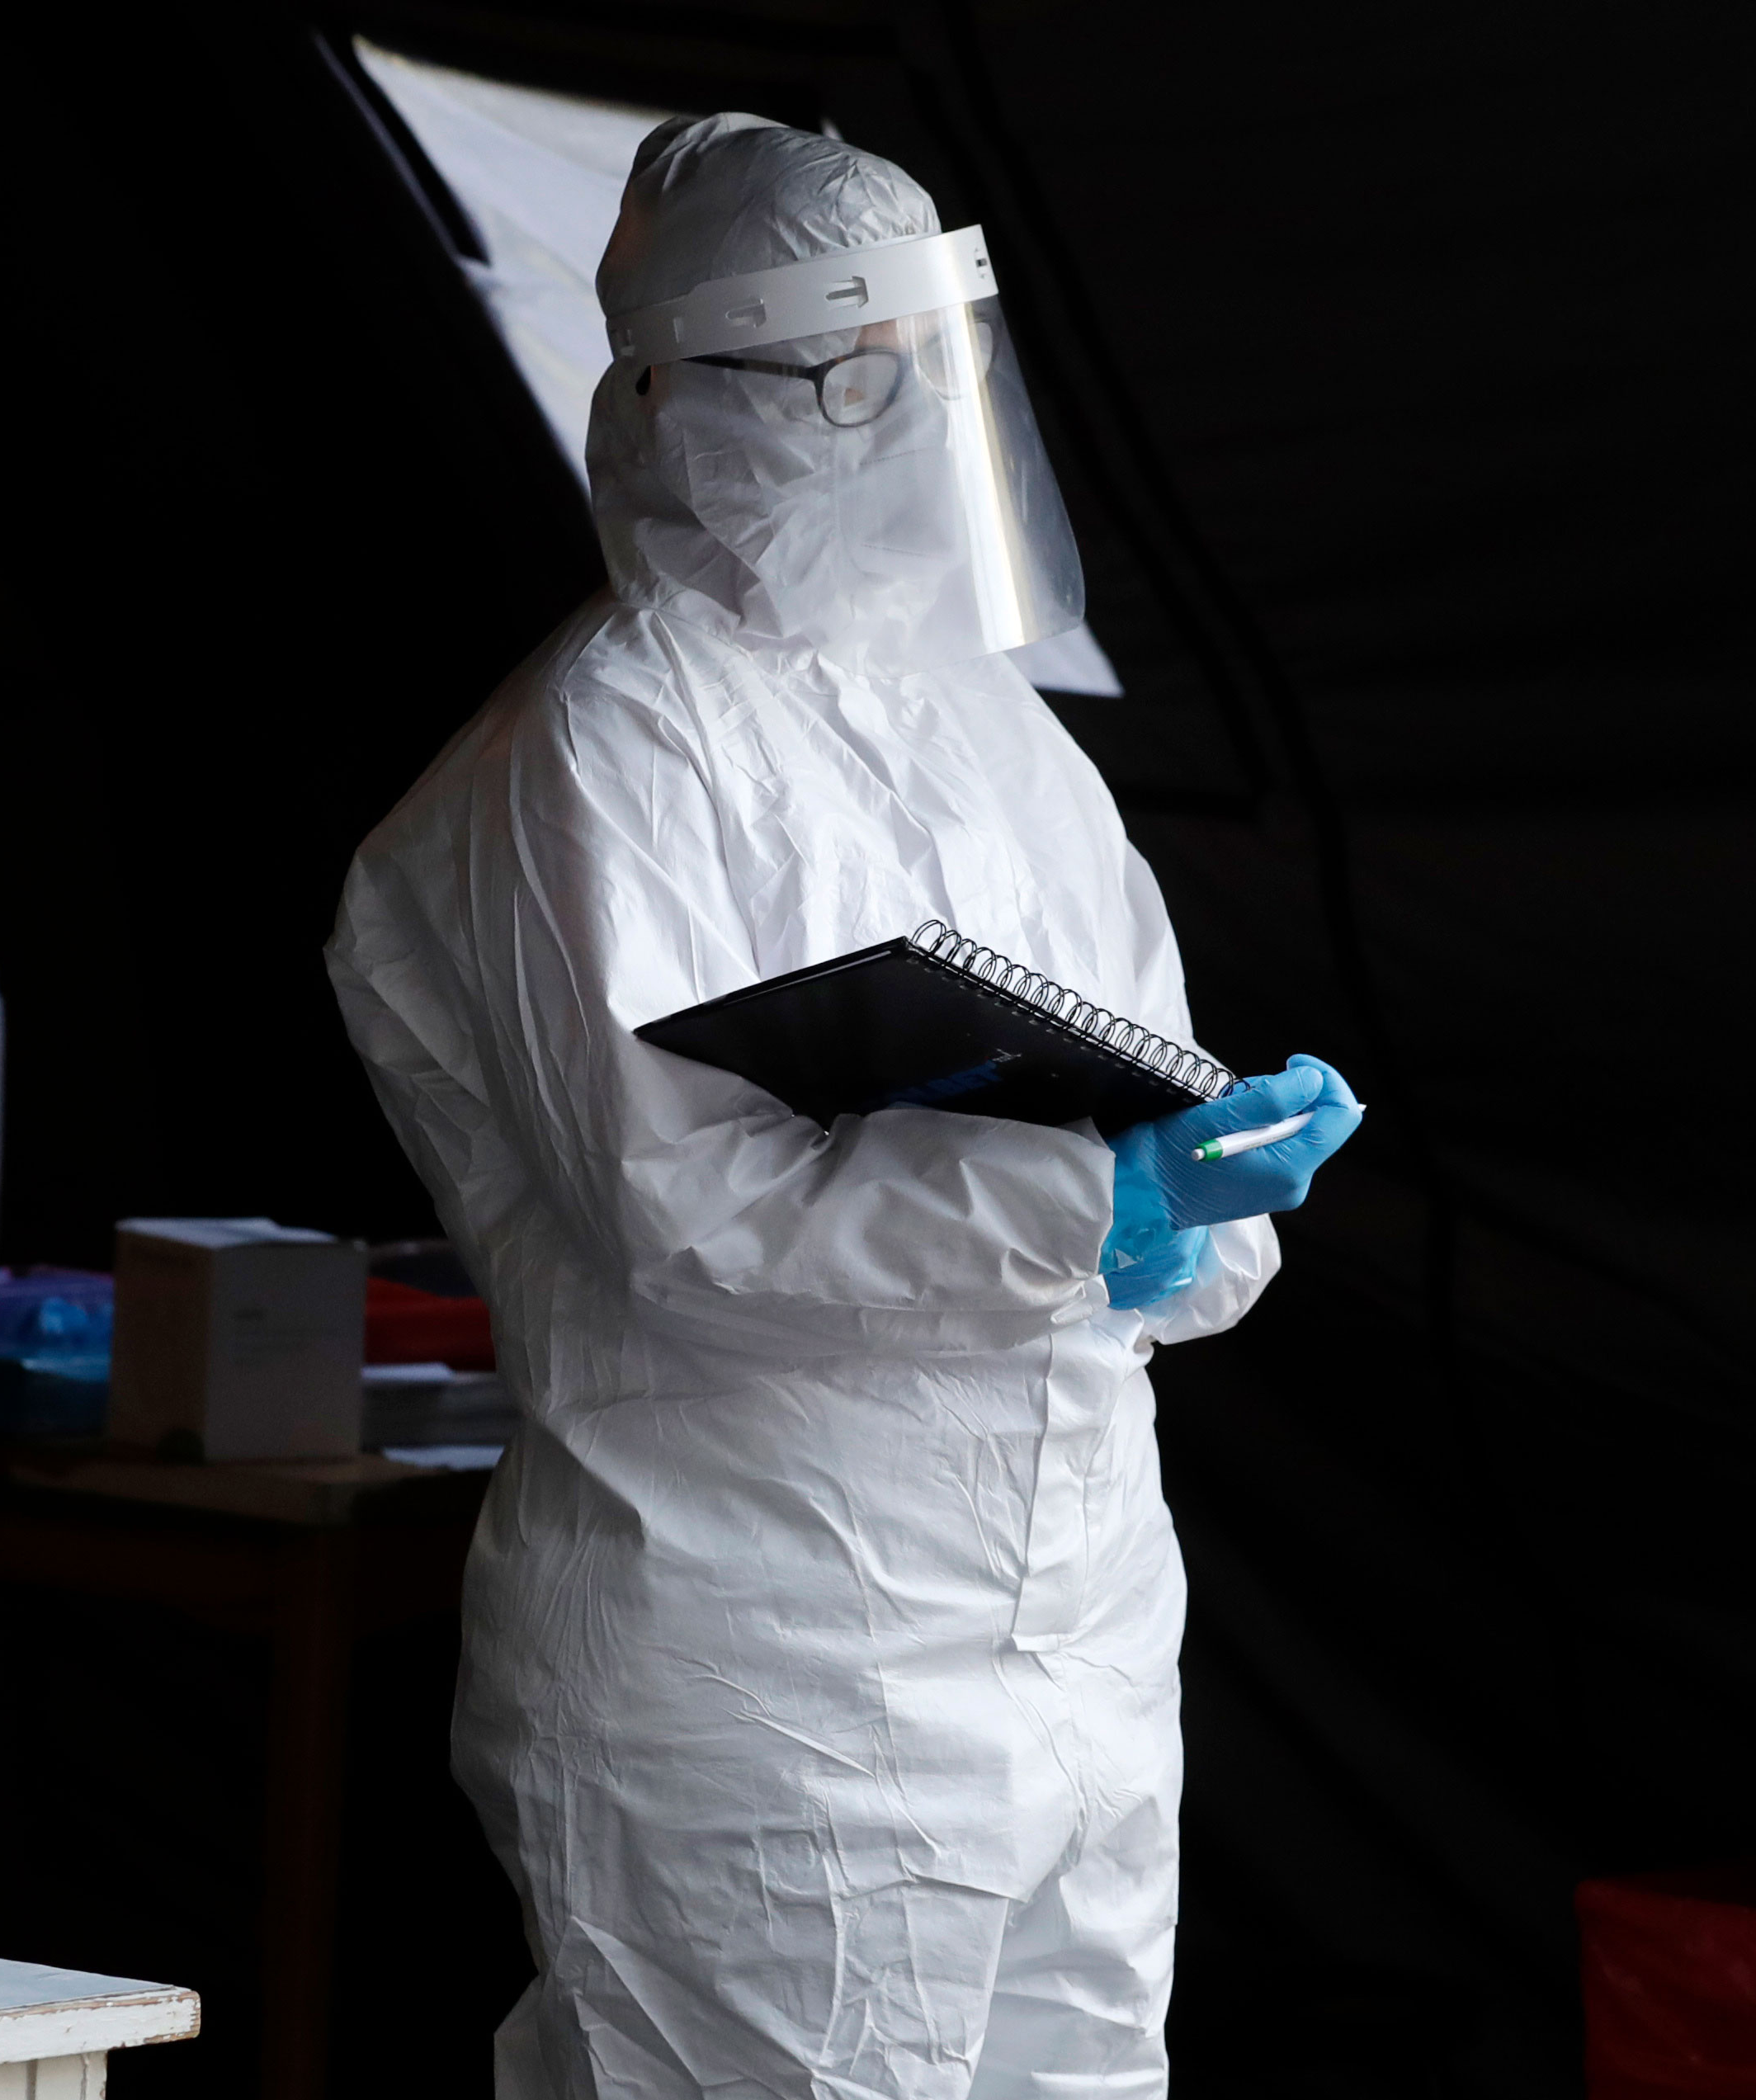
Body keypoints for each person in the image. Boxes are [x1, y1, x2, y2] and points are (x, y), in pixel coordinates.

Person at [327, 111, 1362, 2100]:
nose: (896, 434)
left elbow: (1144, 1127)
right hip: (764, 1666)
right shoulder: (602, 751)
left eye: (927, 377)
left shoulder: (1001, 740)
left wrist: (1201, 1198)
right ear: (686, 402)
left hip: (1069, 1646)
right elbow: (689, 1225)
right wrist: (1091, 1206)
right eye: (846, 381)